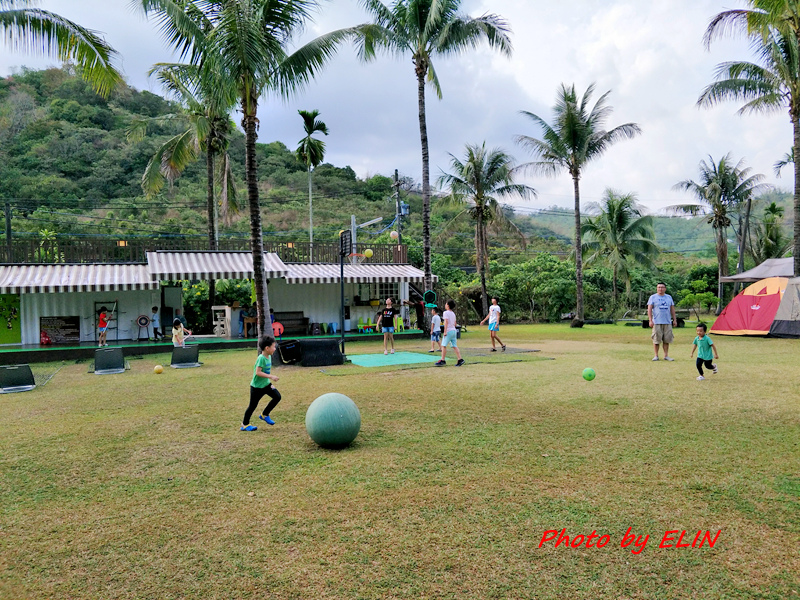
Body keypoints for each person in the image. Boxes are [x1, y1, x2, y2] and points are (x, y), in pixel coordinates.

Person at [240, 335, 282, 431]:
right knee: (252, 406)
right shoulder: (261, 358)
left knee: (277, 397)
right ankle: (245, 424)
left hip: (266, 385)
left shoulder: (269, 356)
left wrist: (269, 382)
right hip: (257, 387)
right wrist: (271, 376)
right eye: (273, 347)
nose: (275, 348)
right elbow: (258, 372)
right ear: (267, 348)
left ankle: (265, 414)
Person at [647, 282, 677, 361]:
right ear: (657, 288)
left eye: (662, 287)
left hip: (667, 321)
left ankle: (666, 355)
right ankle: (656, 355)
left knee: (667, 339)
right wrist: (650, 320)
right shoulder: (653, 297)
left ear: (665, 289)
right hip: (657, 322)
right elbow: (649, 309)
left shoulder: (669, 297)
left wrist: (674, 319)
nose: (660, 289)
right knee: (656, 339)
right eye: (659, 287)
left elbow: (672, 309)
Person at [436, 299, 464, 367]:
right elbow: (454, 323)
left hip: (448, 330)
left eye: (446, 304)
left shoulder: (445, 313)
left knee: (443, 345)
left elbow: (446, 322)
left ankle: (442, 360)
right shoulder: (453, 313)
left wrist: (445, 331)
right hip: (453, 330)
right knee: (454, 345)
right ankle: (460, 359)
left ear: (448, 305)